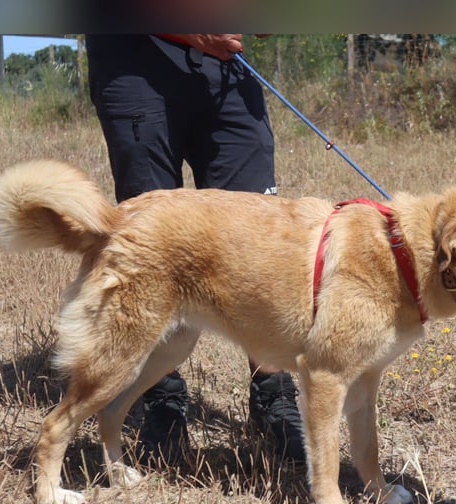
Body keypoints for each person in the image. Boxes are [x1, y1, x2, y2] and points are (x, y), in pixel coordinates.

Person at [85, 33, 305, 465]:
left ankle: (273, 395)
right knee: (155, 250)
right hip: (135, 64)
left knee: (260, 238)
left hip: (225, 71)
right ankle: (160, 398)